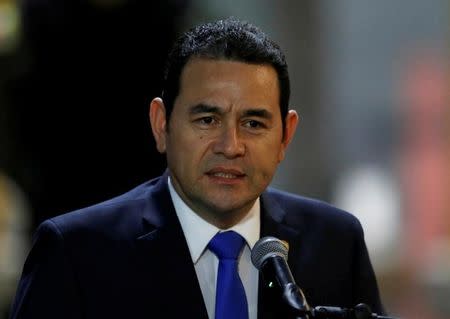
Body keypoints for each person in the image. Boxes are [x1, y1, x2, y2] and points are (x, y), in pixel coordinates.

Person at [9, 18, 385, 319]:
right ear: (162, 125)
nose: (230, 146)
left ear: (286, 135)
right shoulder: (77, 253)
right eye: (207, 120)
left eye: (254, 124)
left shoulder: (336, 243)